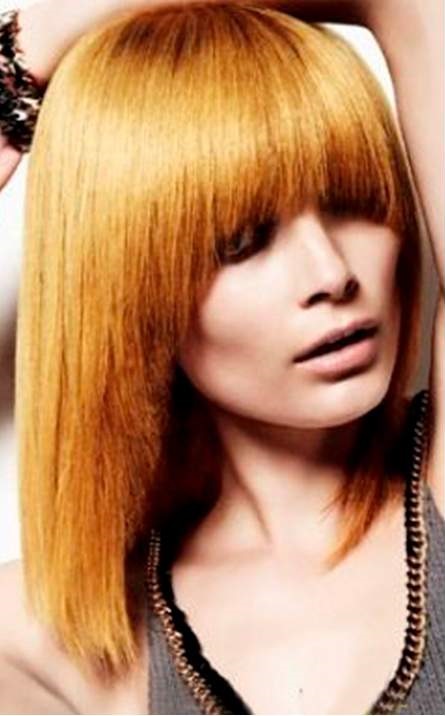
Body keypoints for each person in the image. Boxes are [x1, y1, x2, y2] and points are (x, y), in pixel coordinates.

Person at [0, 0, 443, 713]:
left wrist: (37, 41)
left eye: (352, 202)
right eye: (242, 242)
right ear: (131, 293)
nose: (331, 273)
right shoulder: (68, 647)